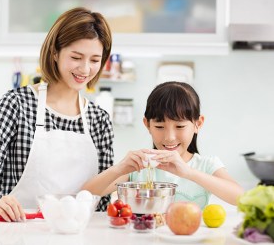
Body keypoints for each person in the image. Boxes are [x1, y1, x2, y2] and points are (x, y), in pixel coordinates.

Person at [0, 7, 113, 222]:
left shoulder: (99, 120)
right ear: (55, 52)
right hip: (17, 231)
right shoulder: (17, 104)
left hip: (78, 235)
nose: (85, 69)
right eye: (76, 57)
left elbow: (102, 201)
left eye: (94, 60)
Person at [82, 81, 244, 209]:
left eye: (180, 126)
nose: (169, 137)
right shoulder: (141, 166)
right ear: (147, 124)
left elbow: (241, 198)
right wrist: (119, 168)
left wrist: (188, 173)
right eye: (159, 127)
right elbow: (85, 194)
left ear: (198, 124)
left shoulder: (206, 165)